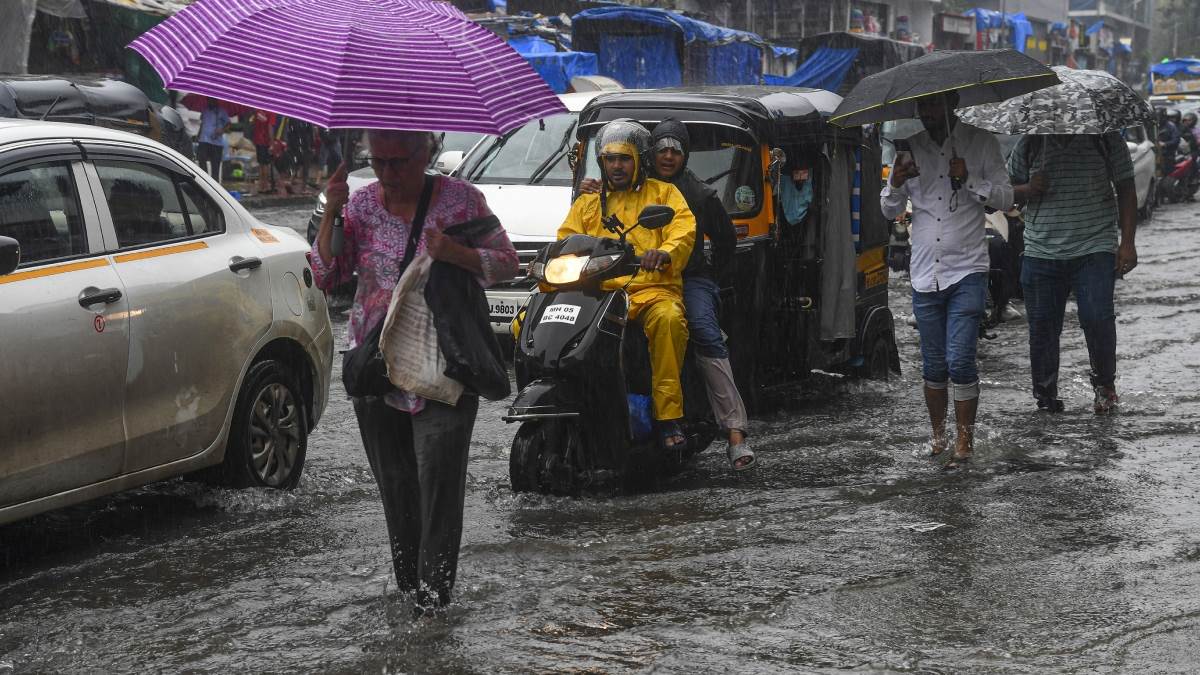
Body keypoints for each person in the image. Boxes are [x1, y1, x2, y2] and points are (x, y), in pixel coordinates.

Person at [311, 129, 518, 615]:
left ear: (426, 153)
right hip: (376, 365)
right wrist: (331, 211)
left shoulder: (462, 201)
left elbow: (507, 263)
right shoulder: (359, 205)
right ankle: (409, 593)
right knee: (398, 490)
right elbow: (327, 276)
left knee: (439, 487)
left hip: (445, 364)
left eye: (398, 162)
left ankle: (435, 601)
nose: (387, 173)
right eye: (377, 162)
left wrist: (455, 254)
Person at [580, 120, 753, 470]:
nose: (668, 156)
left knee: (696, 327)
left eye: (676, 150)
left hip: (676, 279)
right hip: (615, 284)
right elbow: (573, 235)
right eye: (662, 150)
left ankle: (729, 429)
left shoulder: (689, 194)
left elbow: (699, 237)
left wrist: (684, 264)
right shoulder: (597, 197)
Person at [880, 91, 1013, 468]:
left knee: (960, 359)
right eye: (922, 106)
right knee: (934, 364)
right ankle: (938, 437)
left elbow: (1004, 198)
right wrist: (895, 182)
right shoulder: (910, 149)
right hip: (924, 274)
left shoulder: (981, 142)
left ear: (952, 103)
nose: (928, 112)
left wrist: (969, 179)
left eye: (935, 104)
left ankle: (964, 442)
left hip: (967, 268)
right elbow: (889, 210)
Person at [559, 119, 696, 451]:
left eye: (624, 158)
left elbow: (684, 230)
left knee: (668, 321)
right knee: (530, 321)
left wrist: (662, 253)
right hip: (598, 293)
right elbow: (566, 239)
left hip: (651, 290)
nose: (616, 166)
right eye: (610, 159)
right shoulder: (588, 201)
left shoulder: (665, 193)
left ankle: (668, 417)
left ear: (639, 160)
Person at [1009, 130, 1137, 414]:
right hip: (1041, 250)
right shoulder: (1030, 143)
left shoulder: (1105, 139)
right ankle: (1045, 397)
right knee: (1042, 328)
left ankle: (1104, 385)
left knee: (1097, 318)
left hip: (1095, 246)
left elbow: (1127, 188)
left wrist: (1127, 243)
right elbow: (1005, 192)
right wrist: (1029, 188)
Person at [196, 98, 231, 182]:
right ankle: (204, 181)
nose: (210, 101)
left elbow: (228, 124)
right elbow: (202, 123)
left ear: (216, 100)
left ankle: (214, 184)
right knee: (201, 160)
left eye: (211, 100)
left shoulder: (221, 111)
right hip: (203, 140)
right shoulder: (204, 110)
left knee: (215, 165)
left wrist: (221, 130)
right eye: (208, 100)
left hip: (216, 143)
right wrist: (198, 134)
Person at [250, 109, 277, 194]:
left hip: (258, 140)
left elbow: (252, 122)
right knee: (265, 164)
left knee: (261, 164)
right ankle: (265, 186)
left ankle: (261, 185)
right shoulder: (271, 112)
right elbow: (270, 127)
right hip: (265, 141)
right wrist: (272, 143)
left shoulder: (257, 111)